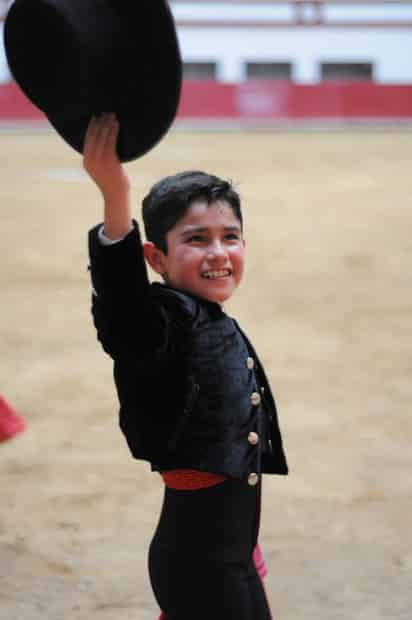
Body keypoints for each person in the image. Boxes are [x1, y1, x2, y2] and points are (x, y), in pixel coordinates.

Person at [84, 113, 288, 620]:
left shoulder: (207, 315)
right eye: (197, 239)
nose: (219, 252)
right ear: (156, 258)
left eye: (231, 236)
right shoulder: (159, 321)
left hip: (229, 552)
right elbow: (121, 302)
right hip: (201, 563)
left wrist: (246, 543)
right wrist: (115, 194)